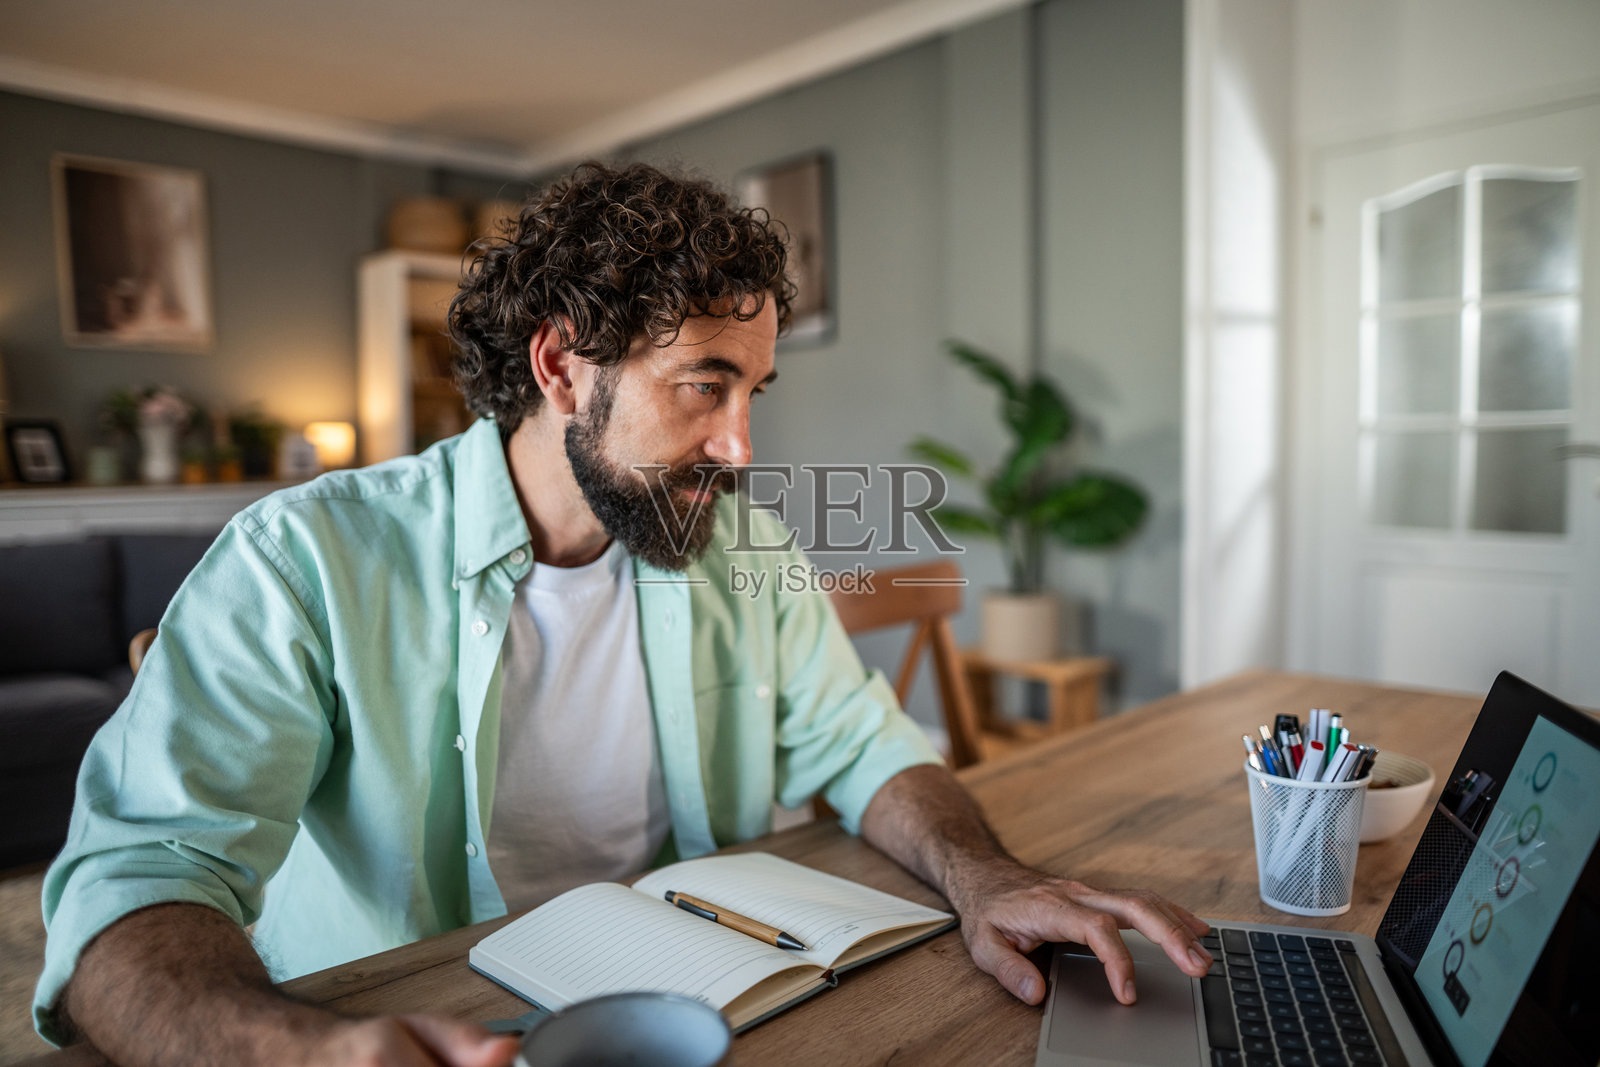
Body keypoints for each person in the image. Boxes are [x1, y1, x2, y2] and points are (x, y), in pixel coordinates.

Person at [36, 162, 1212, 1067]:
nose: (743, 445)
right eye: (703, 383)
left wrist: (982, 875)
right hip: (419, 1022)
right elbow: (138, 881)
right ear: (560, 367)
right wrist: (297, 1049)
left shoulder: (735, 542)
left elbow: (863, 742)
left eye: (750, 389)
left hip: (703, 1006)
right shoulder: (306, 556)